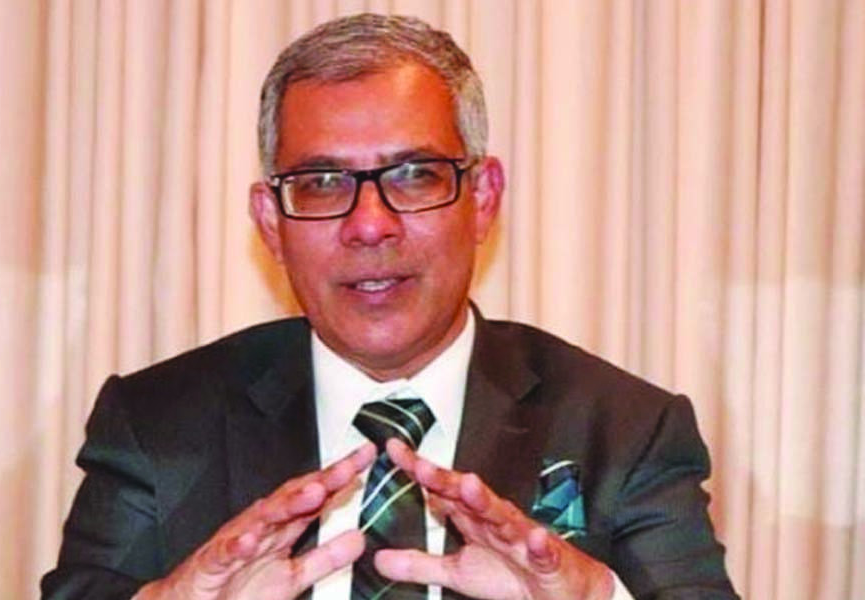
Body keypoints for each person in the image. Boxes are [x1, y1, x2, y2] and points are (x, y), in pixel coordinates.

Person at [41, 13, 737, 600]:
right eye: (322, 182)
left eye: (413, 175)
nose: (369, 225)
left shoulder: (625, 430)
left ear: (482, 199)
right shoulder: (157, 426)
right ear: (270, 223)